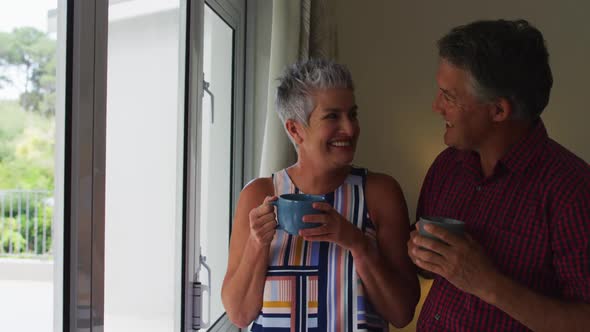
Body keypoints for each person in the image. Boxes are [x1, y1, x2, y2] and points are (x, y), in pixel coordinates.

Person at [408, 19, 590, 331]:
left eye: (449, 96)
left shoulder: (573, 192)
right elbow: (430, 273)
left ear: (498, 111)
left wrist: (487, 284)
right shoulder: (446, 167)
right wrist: (421, 255)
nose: (437, 107)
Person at [222, 58, 420, 330]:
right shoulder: (258, 195)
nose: (350, 129)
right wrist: (257, 243)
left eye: (352, 114)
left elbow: (401, 313)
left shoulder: (380, 194)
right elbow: (239, 315)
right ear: (295, 129)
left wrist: (357, 243)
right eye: (332, 116)